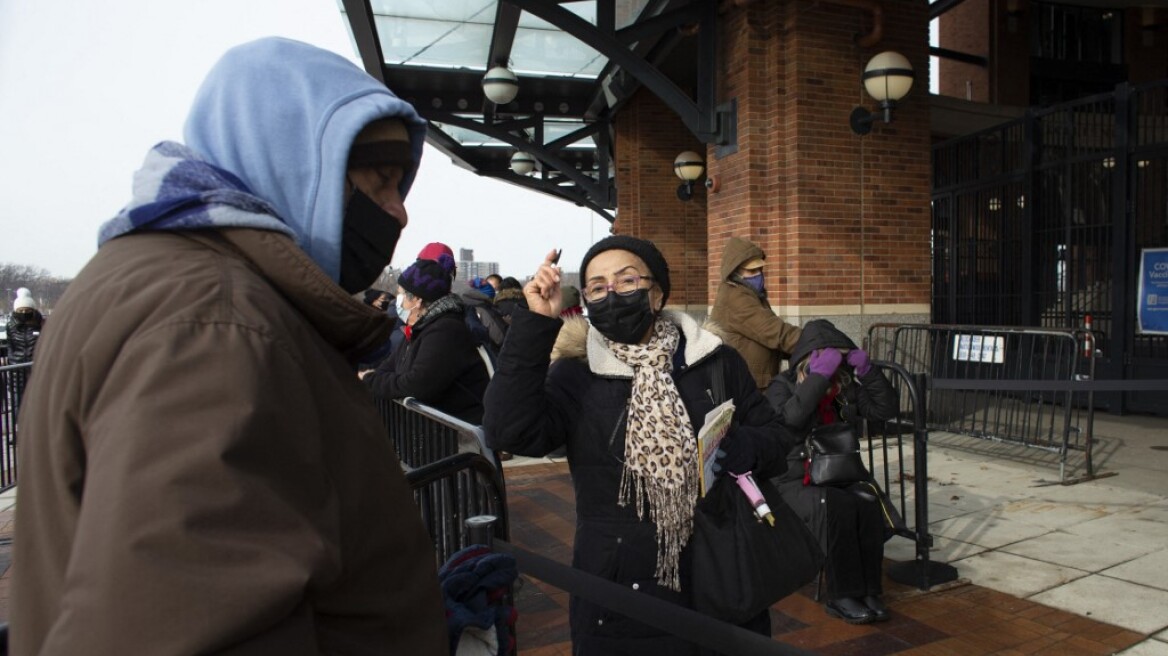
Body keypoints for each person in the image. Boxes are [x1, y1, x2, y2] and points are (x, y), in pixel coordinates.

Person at [10, 38, 447, 655]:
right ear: (294, 161)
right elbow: (184, 621)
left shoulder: (162, 281)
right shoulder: (216, 321)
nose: (398, 214)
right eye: (379, 182)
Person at [483, 235, 794, 653]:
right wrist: (535, 323)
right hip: (618, 588)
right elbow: (509, 432)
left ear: (657, 293)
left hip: (719, 568)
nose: (611, 294)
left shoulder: (716, 361)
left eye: (626, 281)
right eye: (597, 287)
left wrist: (742, 448)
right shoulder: (576, 374)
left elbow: (776, 438)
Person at [765, 319, 899, 625]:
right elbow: (790, 420)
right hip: (794, 480)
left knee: (865, 502)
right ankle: (842, 596)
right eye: (824, 357)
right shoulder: (782, 386)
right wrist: (817, 378)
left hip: (840, 474)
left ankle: (869, 591)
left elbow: (885, 409)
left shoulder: (843, 387)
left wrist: (867, 370)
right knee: (836, 506)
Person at [362, 255, 491, 424]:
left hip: (461, 434)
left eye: (400, 295)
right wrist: (378, 378)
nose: (397, 302)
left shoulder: (446, 331)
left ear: (417, 299)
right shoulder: (419, 330)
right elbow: (387, 369)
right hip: (436, 431)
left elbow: (417, 385)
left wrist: (369, 380)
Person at [710, 236, 801, 389]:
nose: (759, 274)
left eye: (760, 269)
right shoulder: (735, 298)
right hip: (748, 387)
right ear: (735, 272)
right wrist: (816, 341)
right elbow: (775, 332)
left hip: (754, 383)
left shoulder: (751, 294)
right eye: (752, 271)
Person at [6, 288, 43, 365]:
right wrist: (12, 361)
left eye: (27, 310)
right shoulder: (10, 326)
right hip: (16, 366)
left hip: (36, 365)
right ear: (16, 311)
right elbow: (10, 346)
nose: (24, 313)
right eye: (20, 310)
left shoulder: (40, 324)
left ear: (32, 311)